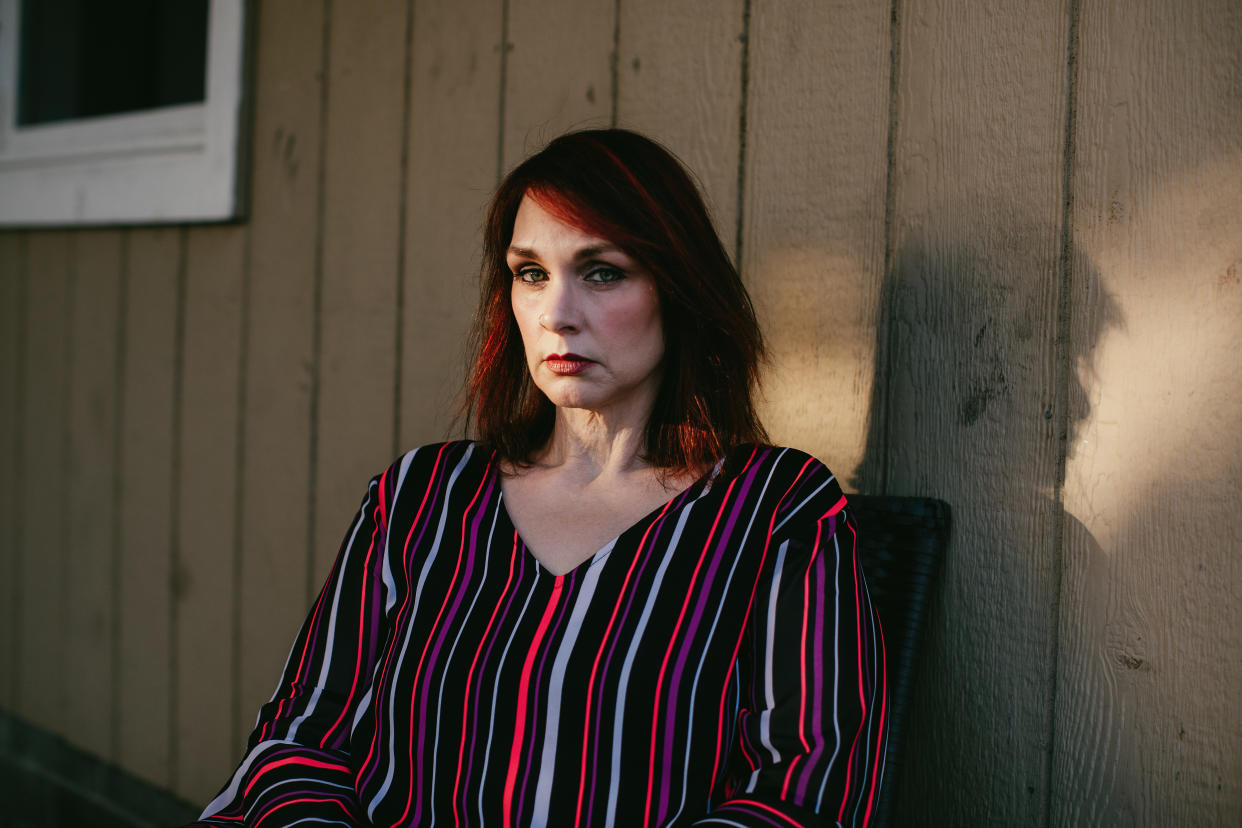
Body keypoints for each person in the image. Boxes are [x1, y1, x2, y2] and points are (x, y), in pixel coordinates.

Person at [190, 129, 886, 827]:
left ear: (677, 289)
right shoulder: (423, 497)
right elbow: (300, 734)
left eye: (603, 271)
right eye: (531, 273)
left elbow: (806, 788)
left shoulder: (771, 510)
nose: (557, 315)